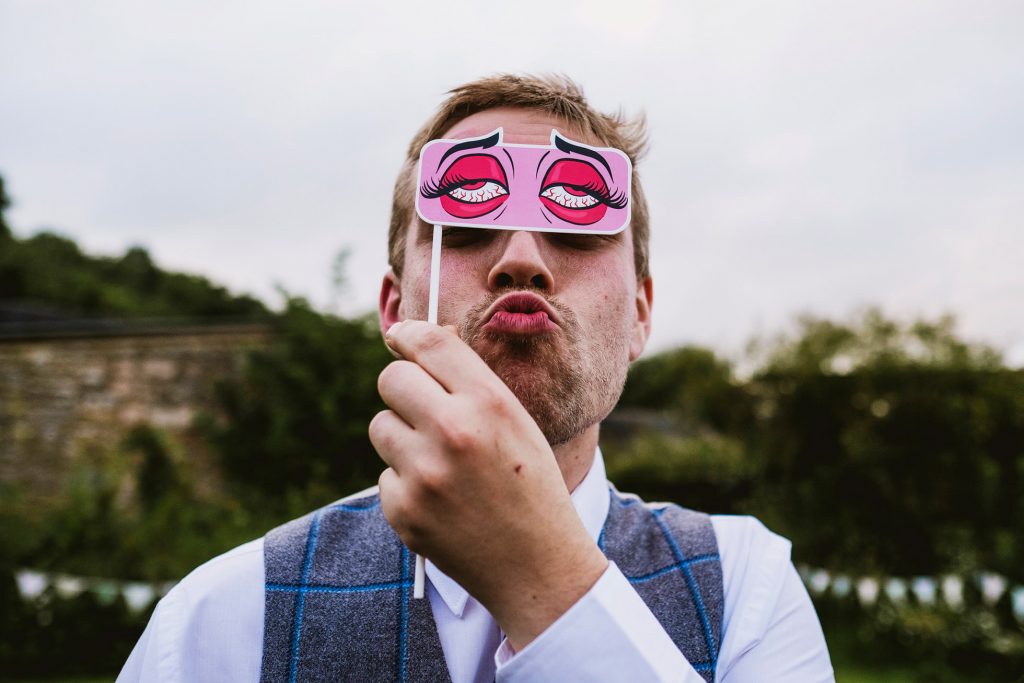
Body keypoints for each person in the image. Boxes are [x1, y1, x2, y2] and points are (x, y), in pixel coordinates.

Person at [119, 74, 834, 682]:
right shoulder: (219, 623)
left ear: (641, 314)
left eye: (578, 228)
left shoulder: (747, 589)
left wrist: (547, 578)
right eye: (463, 225)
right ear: (395, 307)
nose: (522, 257)